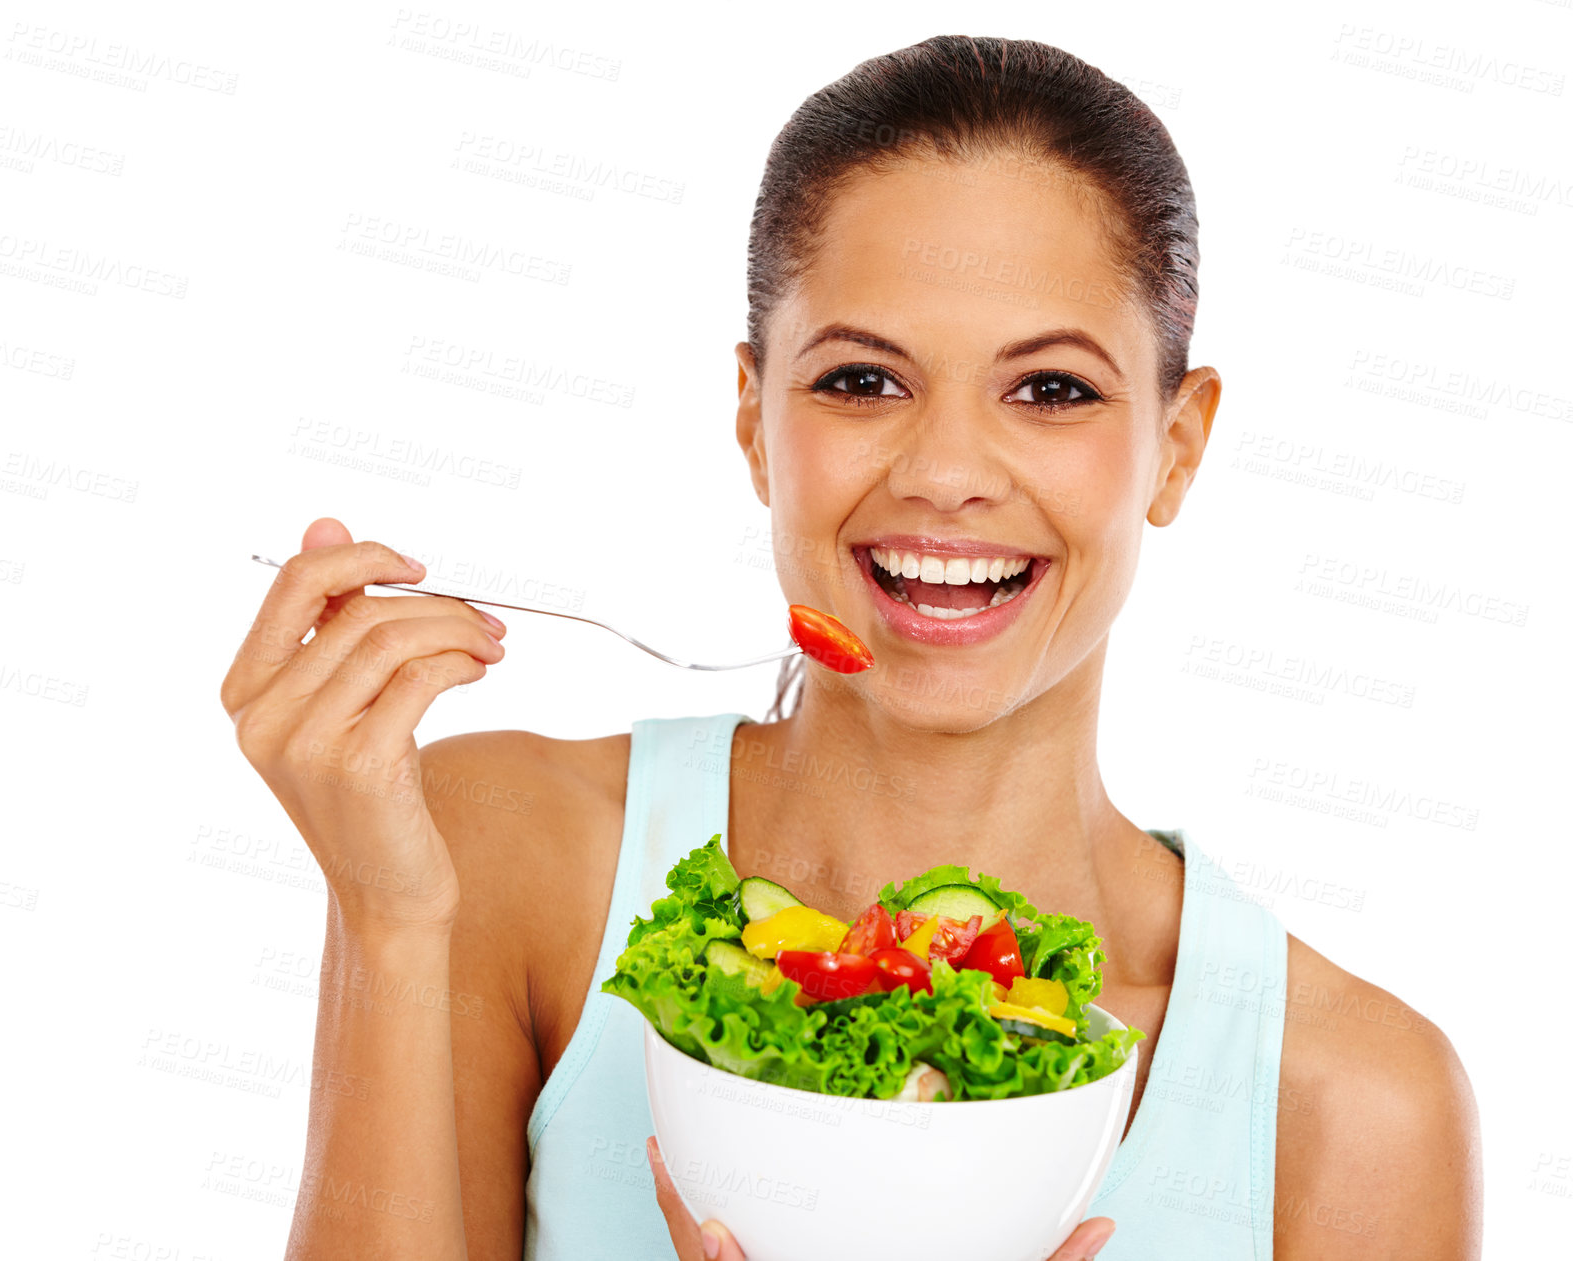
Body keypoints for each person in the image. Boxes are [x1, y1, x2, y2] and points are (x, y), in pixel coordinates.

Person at [220, 34, 1481, 1261]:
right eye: (862, 382)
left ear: (1178, 444)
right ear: (754, 421)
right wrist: (386, 919)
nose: (944, 475)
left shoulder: (1359, 1099)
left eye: (1050, 389)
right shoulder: (495, 854)